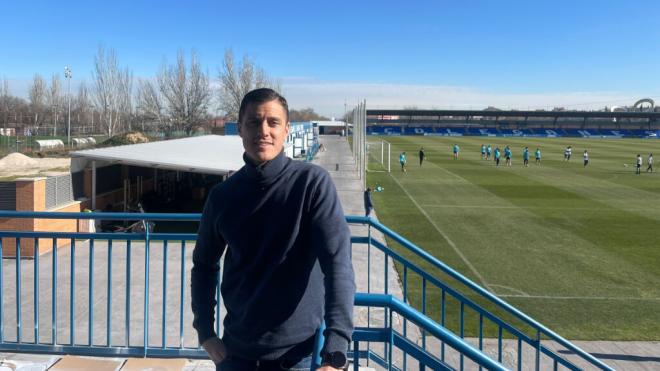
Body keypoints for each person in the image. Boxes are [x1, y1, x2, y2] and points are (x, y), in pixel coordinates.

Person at [191, 88, 355, 371]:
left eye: (273, 122)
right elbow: (203, 264)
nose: (263, 131)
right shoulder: (222, 196)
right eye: (254, 122)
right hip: (234, 355)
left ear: (287, 129)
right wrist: (205, 331)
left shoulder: (312, 185)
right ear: (240, 128)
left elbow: (338, 263)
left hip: (297, 358)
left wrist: (336, 351)